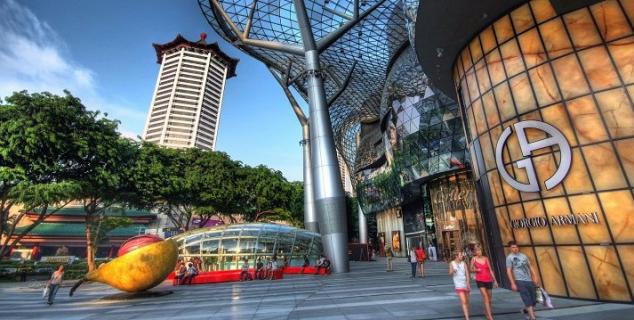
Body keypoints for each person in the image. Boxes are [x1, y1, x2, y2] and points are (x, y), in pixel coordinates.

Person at [506, 241, 540, 320]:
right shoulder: (509, 258)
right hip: (519, 280)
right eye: (513, 247)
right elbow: (508, 271)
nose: (515, 249)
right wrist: (513, 283)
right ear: (510, 248)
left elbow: (530, 267)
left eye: (516, 247)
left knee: (534, 299)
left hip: (529, 280)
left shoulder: (524, 256)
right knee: (526, 298)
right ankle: (532, 317)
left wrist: (535, 277)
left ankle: (525, 310)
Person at [470, 246, 497, 320]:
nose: (479, 252)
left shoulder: (486, 258)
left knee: (489, 298)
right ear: (475, 252)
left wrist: (495, 280)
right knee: (485, 297)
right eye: (477, 251)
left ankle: (486, 311)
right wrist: (476, 270)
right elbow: (470, 269)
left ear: (482, 251)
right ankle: (490, 316)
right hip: (480, 280)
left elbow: (490, 270)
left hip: (488, 280)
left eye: (480, 250)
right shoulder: (474, 259)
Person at [449, 251, 471, 320]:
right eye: (461, 255)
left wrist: (468, 283)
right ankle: (467, 318)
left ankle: (466, 315)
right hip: (458, 284)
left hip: (465, 283)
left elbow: (467, 274)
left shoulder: (463, 263)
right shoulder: (452, 263)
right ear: (456, 256)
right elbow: (449, 273)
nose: (462, 256)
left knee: (467, 301)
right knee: (463, 301)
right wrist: (453, 271)